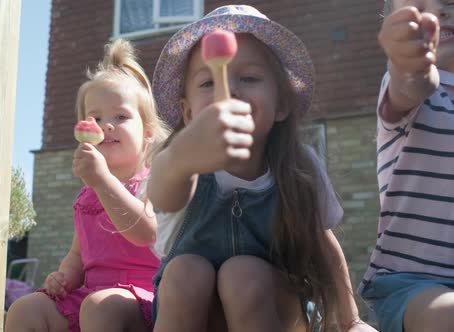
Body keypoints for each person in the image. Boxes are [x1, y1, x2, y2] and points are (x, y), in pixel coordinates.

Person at [147, 5, 377, 332]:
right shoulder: (183, 168)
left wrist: (350, 319)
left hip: (276, 309)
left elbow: (324, 244)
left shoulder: (301, 166)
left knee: (242, 274)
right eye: (208, 82)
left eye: (249, 78)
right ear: (187, 114)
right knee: (185, 270)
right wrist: (178, 159)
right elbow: (164, 194)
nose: (230, 91)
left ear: (282, 104)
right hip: (193, 310)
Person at [5, 39, 170, 332]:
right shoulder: (88, 194)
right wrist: (65, 276)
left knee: (98, 307)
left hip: (144, 296)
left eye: (120, 117)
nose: (107, 125)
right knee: (25, 309)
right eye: (95, 118)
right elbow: (79, 255)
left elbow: (148, 234)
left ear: (146, 133)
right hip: (91, 295)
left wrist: (103, 180)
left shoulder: (154, 180)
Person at [359, 1, 454, 331]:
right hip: (412, 285)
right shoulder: (419, 90)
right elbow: (410, 83)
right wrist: (407, 64)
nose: (438, 13)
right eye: (419, 5)